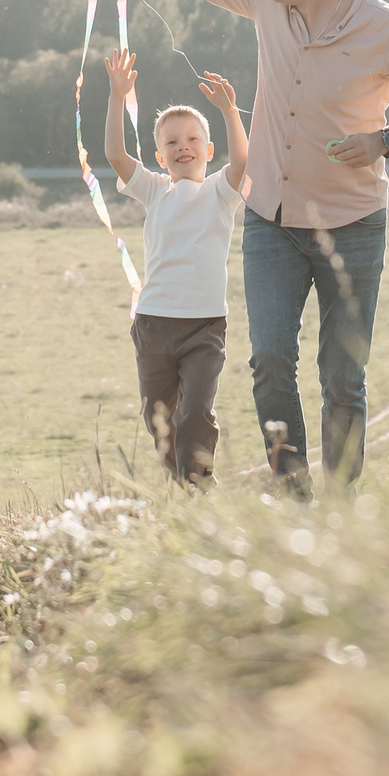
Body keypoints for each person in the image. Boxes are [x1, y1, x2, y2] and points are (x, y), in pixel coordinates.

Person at [109, 0, 389, 490]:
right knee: (270, 362)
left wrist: (386, 138)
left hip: (352, 226)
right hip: (270, 220)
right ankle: (293, 495)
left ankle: (342, 504)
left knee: (342, 376)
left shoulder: (385, 30)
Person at [100, 46, 246, 486]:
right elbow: (114, 154)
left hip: (204, 327)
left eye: (192, 140)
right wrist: (116, 96)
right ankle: (185, 485)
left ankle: (199, 489)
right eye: (172, 142)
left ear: (208, 149)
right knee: (160, 421)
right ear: (160, 156)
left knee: (197, 410)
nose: (183, 147)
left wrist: (231, 111)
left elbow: (243, 161)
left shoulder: (220, 193)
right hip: (154, 326)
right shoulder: (154, 190)